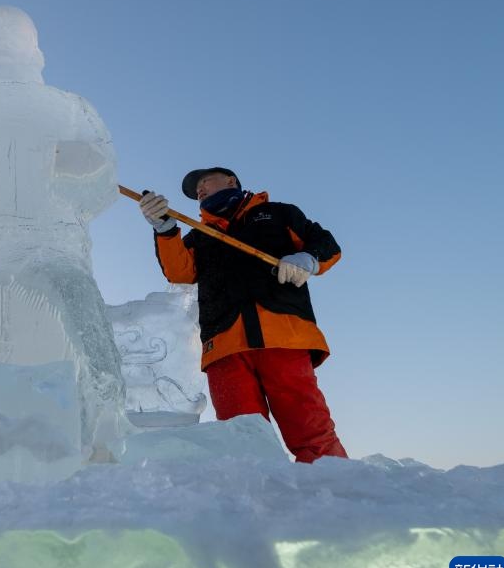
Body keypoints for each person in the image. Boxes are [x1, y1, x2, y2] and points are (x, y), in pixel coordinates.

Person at [138, 167, 347, 463]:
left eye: (204, 181)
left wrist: (307, 259)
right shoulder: (201, 235)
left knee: (309, 429)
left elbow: (327, 245)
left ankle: (337, 498)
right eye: (195, 189)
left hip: (283, 335)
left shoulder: (279, 214)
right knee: (242, 441)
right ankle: (260, 505)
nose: (199, 190)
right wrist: (165, 229)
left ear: (231, 181)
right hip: (223, 345)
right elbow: (181, 272)